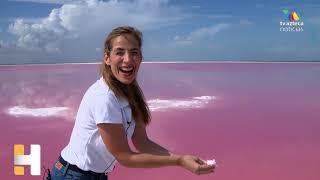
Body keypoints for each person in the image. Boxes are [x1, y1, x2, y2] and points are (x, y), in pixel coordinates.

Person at [49, 26, 215, 180]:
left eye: (134, 52)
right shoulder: (104, 97)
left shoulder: (130, 91)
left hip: (94, 174)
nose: (128, 60)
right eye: (119, 52)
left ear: (141, 58)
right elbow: (125, 157)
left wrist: (182, 158)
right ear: (107, 58)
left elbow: (142, 142)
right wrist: (179, 161)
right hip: (73, 174)